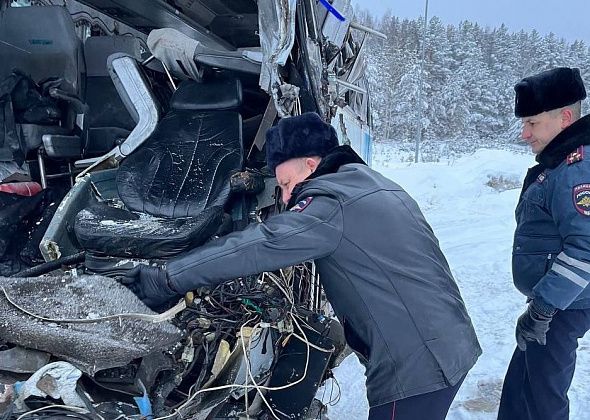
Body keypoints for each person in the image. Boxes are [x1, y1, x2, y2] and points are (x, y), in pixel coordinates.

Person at [123, 112, 481, 420]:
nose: (284, 196)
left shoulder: (330, 204)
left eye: (286, 183)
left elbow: (263, 243)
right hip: (446, 343)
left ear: (311, 165)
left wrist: (168, 278)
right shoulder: (370, 184)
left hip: (417, 366)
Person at [497, 67, 590, 420]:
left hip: (563, 307)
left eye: (532, 123)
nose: (524, 134)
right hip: (553, 304)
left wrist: (544, 310)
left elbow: (585, 247)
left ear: (565, 118)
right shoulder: (559, 163)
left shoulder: (576, 169)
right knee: (521, 389)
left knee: (543, 400)